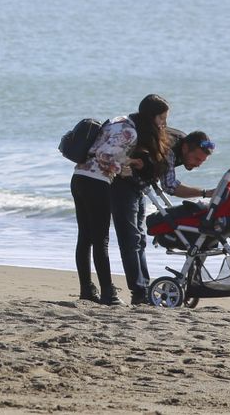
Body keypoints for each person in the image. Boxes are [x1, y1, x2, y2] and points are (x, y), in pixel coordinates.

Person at [70, 93, 170, 305]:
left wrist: (126, 161)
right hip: (96, 182)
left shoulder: (119, 121)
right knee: (100, 240)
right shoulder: (130, 131)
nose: (163, 123)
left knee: (85, 238)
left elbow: (100, 150)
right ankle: (108, 293)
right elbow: (104, 156)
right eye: (161, 118)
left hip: (79, 178)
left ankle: (87, 290)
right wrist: (124, 167)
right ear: (151, 117)